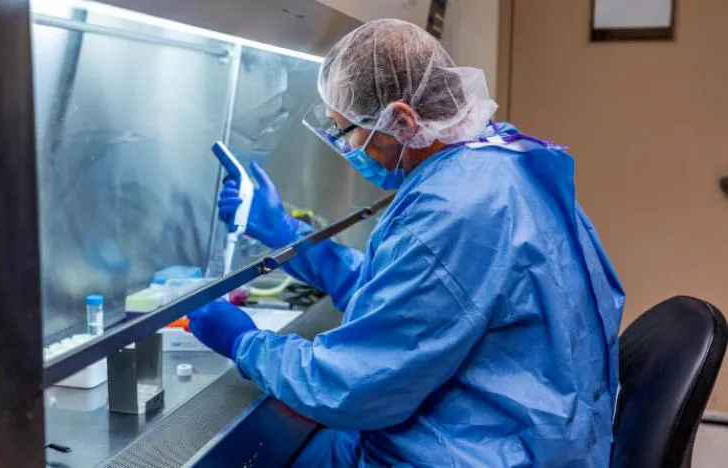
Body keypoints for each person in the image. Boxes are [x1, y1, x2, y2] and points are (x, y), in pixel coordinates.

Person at [188, 18, 624, 467]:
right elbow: (410, 295)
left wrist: (243, 342)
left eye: (348, 131)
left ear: (401, 119)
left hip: (481, 452)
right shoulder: (497, 160)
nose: (347, 147)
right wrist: (286, 235)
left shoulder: (452, 207)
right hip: (533, 434)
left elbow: (351, 386)